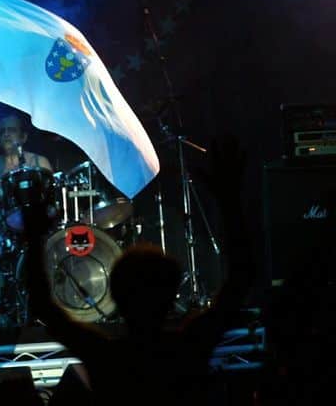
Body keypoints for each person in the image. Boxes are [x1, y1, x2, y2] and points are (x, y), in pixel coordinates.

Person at [22, 135, 256, 406]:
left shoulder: (105, 357)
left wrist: (35, 235)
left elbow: (43, 305)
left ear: (117, 295)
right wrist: (230, 202)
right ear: (170, 293)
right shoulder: (190, 347)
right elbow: (242, 278)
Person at [0, 112, 53, 200]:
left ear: (24, 137)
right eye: (2, 131)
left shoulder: (40, 162)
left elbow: (51, 196)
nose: (6, 134)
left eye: (12, 130)